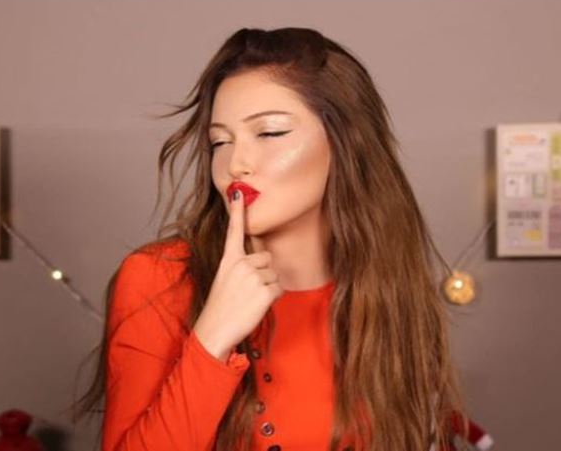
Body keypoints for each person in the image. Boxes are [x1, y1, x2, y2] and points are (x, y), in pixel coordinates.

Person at [71, 27, 469, 451]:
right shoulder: (159, 279)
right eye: (220, 141)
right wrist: (212, 336)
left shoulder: (391, 290)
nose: (235, 164)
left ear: (345, 144)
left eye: (270, 133)